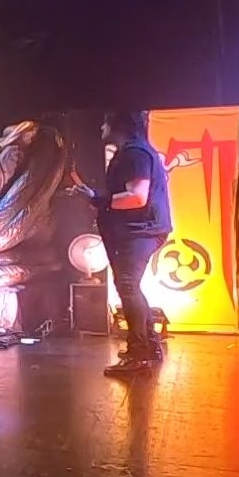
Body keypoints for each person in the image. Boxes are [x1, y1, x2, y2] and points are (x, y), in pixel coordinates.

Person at [69, 110, 172, 375]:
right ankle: (149, 346)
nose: (101, 128)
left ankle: (139, 355)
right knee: (129, 285)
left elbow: (137, 197)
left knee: (127, 285)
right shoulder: (132, 151)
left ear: (119, 126)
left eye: (105, 123)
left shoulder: (135, 153)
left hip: (141, 231)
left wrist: (98, 199)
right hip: (138, 230)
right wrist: (94, 197)